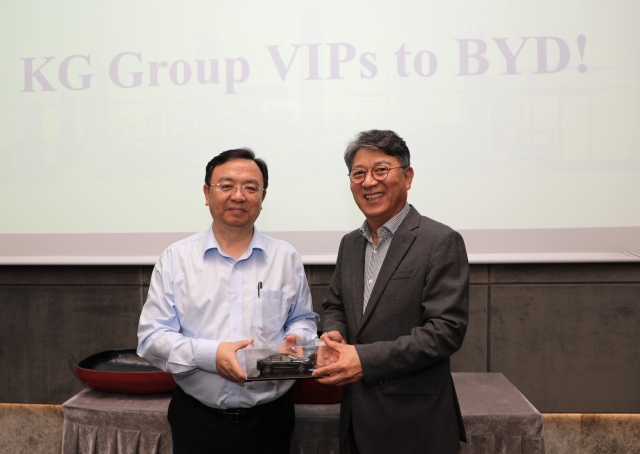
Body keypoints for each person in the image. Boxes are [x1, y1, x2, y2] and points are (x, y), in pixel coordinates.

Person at [137, 148, 319, 454]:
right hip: (197, 418)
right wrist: (211, 354)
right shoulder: (175, 259)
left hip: (270, 419)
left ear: (263, 197)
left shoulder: (285, 257)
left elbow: (303, 317)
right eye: (226, 186)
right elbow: (151, 339)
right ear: (207, 193)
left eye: (250, 187)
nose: (239, 195)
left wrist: (297, 337)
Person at [313, 130, 469, 454]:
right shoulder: (349, 244)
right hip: (356, 423)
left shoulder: (439, 241)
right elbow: (335, 306)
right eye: (359, 173)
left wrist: (364, 359)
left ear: (407, 176)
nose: (369, 182)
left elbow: (445, 332)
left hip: (416, 427)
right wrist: (335, 335)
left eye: (381, 170)